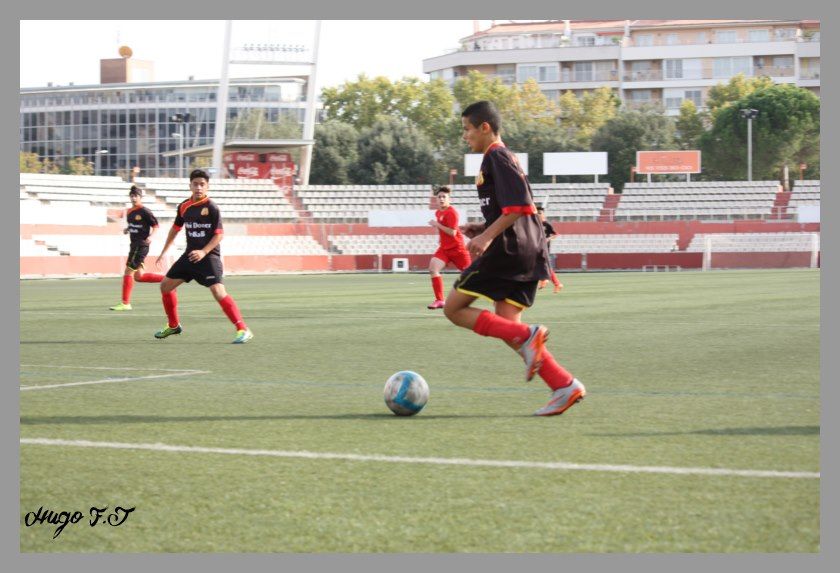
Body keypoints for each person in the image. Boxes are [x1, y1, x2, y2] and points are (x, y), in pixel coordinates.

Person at [443, 101, 585, 416]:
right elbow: (516, 209)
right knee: (508, 327)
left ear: (485, 127)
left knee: (453, 309)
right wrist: (480, 227)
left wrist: (485, 237)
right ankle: (564, 386)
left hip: (509, 249)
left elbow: (520, 207)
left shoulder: (496, 155)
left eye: (467, 129)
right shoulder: (501, 158)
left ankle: (529, 335)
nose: (465, 136)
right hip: (526, 248)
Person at [153, 169, 253, 344]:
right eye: (195, 184)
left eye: (202, 184)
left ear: (207, 186)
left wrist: (203, 252)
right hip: (190, 256)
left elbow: (219, 235)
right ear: (190, 186)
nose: (198, 187)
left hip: (209, 257)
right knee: (165, 286)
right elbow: (175, 229)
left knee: (218, 291)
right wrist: (164, 251)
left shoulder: (212, 207)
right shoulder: (184, 206)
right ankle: (174, 325)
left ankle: (243, 329)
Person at [109, 186, 165, 310]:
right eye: (132, 196)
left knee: (128, 271)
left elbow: (156, 225)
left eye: (136, 196)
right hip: (133, 245)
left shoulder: (145, 211)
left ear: (140, 197)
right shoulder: (129, 212)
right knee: (139, 276)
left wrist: (151, 236)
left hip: (141, 245)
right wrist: (127, 229)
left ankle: (125, 303)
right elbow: (134, 225)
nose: (134, 198)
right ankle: (167, 279)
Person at [426, 185, 471, 309]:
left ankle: (496, 295)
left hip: (458, 249)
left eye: (444, 197)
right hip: (445, 249)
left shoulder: (452, 213)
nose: (441, 199)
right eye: (439, 197)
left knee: (471, 276)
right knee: (433, 268)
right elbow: (444, 230)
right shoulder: (438, 212)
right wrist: (440, 238)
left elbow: (453, 232)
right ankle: (440, 300)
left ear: (449, 199)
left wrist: (437, 225)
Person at [536, 206, 563, 293]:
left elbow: (556, 234)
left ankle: (550, 282)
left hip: (545, 249)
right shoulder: (535, 224)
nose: (539, 215)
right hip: (536, 248)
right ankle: (549, 281)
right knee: (541, 265)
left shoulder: (547, 224)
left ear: (543, 214)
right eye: (537, 213)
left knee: (544, 265)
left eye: (540, 213)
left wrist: (548, 239)